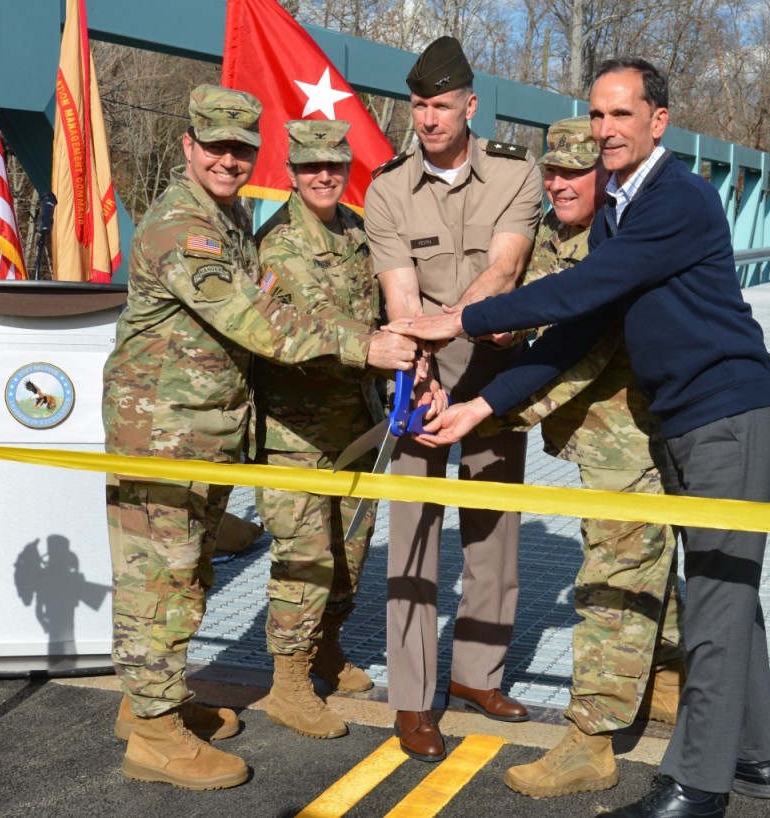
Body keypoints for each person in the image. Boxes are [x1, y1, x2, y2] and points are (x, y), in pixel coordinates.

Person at [393, 58, 770, 818]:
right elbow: (576, 330)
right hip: (687, 417)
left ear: (658, 122)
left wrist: (459, 319)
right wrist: (479, 408)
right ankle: (752, 755)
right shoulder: (620, 212)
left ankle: (697, 786)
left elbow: (579, 289)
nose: (605, 129)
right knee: (727, 585)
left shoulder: (678, 198)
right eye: (597, 114)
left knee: (713, 600)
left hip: (728, 414)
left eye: (621, 114)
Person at [103, 85, 417, 791]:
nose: (229, 159)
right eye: (215, 146)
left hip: (205, 430)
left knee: (186, 576)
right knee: (160, 581)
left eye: (241, 149)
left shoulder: (228, 216)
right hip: (163, 432)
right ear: (188, 145)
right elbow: (256, 320)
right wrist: (364, 345)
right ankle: (154, 737)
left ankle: (149, 704)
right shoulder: (183, 227)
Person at [487, 116, 687, 799]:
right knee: (643, 560)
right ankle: (667, 678)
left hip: (633, 440)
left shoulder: (622, 239)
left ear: (607, 174)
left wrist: (490, 414)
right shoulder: (552, 232)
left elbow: (581, 353)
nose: (560, 184)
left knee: (615, 579)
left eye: (576, 172)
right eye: (552, 171)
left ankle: (591, 741)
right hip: (601, 442)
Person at [363, 35, 544, 762]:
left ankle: (477, 675)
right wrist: (420, 370)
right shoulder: (387, 189)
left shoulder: (516, 175)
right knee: (412, 538)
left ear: (471, 106)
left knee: (493, 537)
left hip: (494, 372)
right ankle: (412, 697)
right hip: (420, 373)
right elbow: (400, 295)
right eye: (418, 105)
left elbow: (505, 271)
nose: (428, 118)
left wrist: (447, 334)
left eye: (441, 105)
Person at [252, 120, 388, 740]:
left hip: (355, 423)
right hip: (296, 431)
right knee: (304, 557)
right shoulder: (280, 243)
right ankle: (289, 682)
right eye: (311, 166)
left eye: (334, 164)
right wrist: (385, 349)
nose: (324, 176)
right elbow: (314, 324)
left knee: (349, 550)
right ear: (292, 173)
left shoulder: (355, 232)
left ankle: (326, 648)